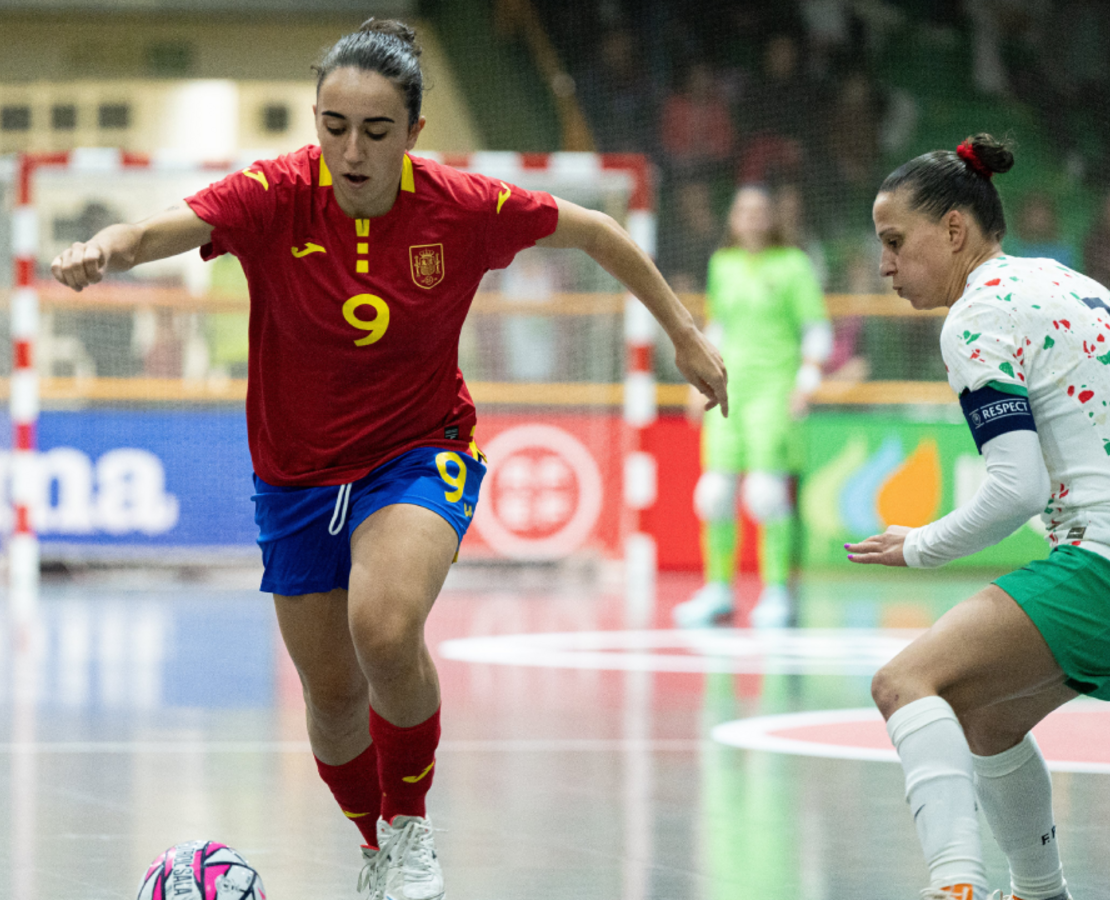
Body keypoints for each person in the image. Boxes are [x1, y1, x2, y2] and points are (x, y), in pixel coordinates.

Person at [50, 19, 728, 900]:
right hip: (294, 477)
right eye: (334, 126)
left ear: (412, 133)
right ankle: (377, 847)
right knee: (330, 695)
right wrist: (109, 246)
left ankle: (411, 832)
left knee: (384, 625)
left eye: (375, 131)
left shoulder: (461, 205)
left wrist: (683, 333)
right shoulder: (276, 193)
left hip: (418, 452)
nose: (351, 149)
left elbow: (598, 229)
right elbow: (162, 228)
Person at [852, 133, 1110, 900]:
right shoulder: (1079, 287)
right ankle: (1040, 894)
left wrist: (919, 547)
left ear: (953, 230)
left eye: (895, 243)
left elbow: (1016, 490)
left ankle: (953, 888)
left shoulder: (974, 321)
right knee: (987, 726)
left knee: (904, 683)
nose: (885, 267)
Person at [674, 185, 831, 629]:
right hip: (729, 391)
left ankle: (778, 592)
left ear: (772, 217)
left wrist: (807, 380)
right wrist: (698, 381)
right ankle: (718, 591)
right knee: (714, 494)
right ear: (732, 218)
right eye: (743, 210)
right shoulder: (721, 265)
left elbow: (816, 327)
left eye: (760, 210)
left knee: (764, 495)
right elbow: (717, 326)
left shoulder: (794, 265)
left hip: (774, 392)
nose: (752, 218)